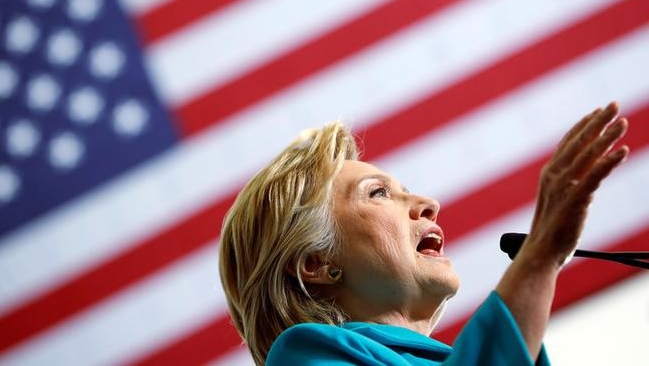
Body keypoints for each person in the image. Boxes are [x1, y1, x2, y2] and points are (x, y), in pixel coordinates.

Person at [219, 102, 629, 365]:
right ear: (318, 262)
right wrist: (540, 256)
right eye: (378, 193)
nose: (427, 204)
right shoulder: (303, 358)